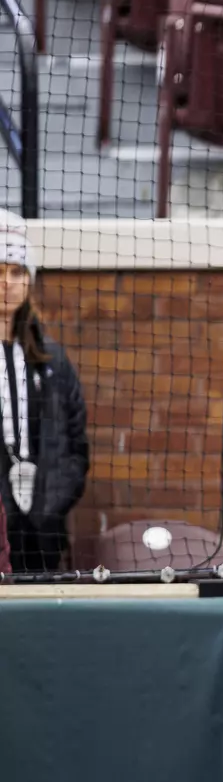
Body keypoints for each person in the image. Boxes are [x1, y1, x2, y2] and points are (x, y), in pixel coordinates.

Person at [0, 230, 81, 574]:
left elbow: (77, 442)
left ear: (29, 281)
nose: (7, 283)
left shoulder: (51, 358)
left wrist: (53, 504)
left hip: (44, 528)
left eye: (17, 273)